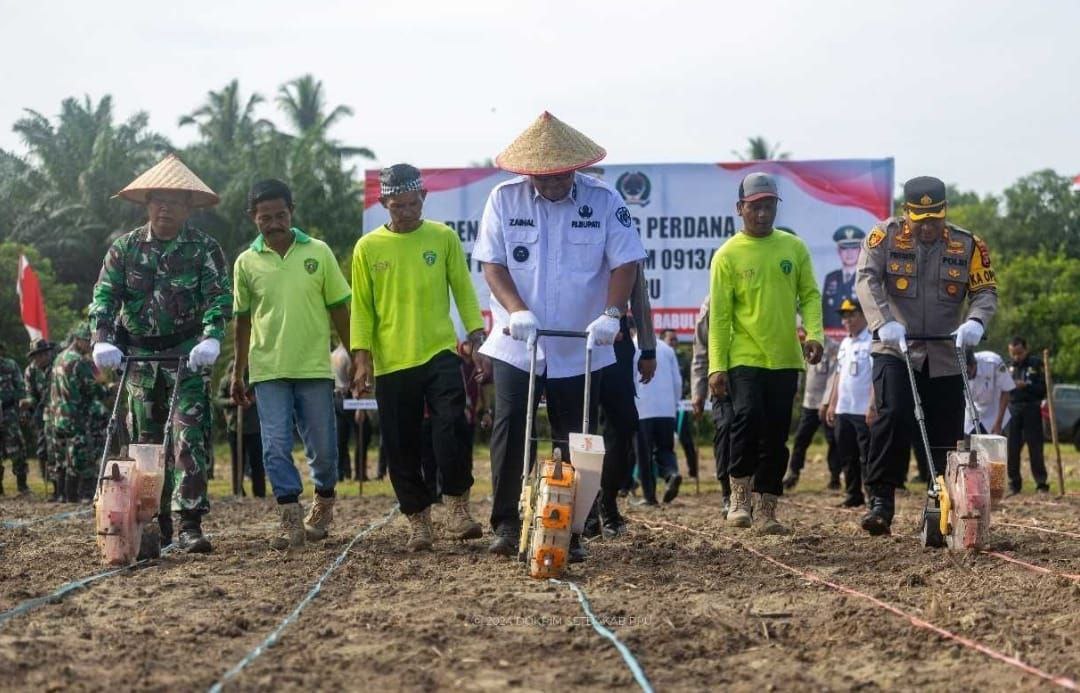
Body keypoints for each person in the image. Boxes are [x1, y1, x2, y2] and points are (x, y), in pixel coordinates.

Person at [473, 112, 647, 561]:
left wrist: (612, 313)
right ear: (529, 172)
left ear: (575, 169)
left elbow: (625, 261)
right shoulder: (504, 200)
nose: (552, 185)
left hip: (580, 343)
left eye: (560, 177)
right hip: (518, 340)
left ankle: (569, 529)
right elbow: (492, 263)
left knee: (578, 437)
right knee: (511, 428)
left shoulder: (605, 201)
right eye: (543, 178)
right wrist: (516, 310)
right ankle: (508, 525)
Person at [89, 153, 230, 553]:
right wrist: (103, 338)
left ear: (188, 207)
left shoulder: (204, 249)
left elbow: (219, 296)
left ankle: (189, 524)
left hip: (187, 357)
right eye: (157, 200)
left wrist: (212, 337)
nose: (164, 207)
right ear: (147, 204)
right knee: (146, 446)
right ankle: (153, 523)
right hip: (137, 361)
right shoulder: (125, 249)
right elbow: (104, 295)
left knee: (188, 436)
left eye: (174, 200)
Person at [351, 164, 488, 552]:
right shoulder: (368, 248)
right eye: (398, 206)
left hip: (440, 352)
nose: (407, 212)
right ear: (383, 203)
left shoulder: (442, 237)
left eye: (413, 204)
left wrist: (476, 337)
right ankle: (419, 522)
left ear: (424, 198)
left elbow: (463, 289)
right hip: (392, 361)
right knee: (400, 444)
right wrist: (362, 359)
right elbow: (362, 308)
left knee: (451, 427)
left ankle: (458, 507)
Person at [855, 176, 998, 535]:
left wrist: (976, 322)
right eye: (921, 221)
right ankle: (881, 501)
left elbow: (984, 291)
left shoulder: (968, 245)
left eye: (935, 219)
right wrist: (883, 321)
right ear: (907, 214)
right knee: (894, 414)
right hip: (896, 348)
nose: (929, 227)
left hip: (946, 352)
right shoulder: (883, 237)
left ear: (944, 212)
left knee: (945, 432)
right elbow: (866, 278)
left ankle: (941, 503)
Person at [232, 179, 351, 549]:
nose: (274, 223)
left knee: (325, 449)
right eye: (265, 217)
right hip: (268, 370)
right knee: (275, 445)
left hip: (314, 368)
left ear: (292, 212)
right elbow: (242, 319)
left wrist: (359, 359)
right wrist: (237, 371)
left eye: (280, 215)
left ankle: (323, 505)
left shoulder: (319, 252)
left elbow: (339, 309)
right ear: (254, 218)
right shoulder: (246, 262)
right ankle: (289, 517)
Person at [708, 172, 824, 534]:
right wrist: (716, 366)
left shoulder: (793, 247)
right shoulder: (727, 255)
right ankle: (739, 496)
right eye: (755, 207)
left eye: (769, 206)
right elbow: (720, 317)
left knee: (776, 432)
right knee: (745, 418)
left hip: (785, 357)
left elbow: (809, 295)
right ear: (740, 208)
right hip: (744, 356)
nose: (762, 214)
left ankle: (767, 506)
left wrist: (815, 334)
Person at [824, 299, 873, 507]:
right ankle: (853, 494)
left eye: (852, 315)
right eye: (844, 317)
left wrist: (873, 404)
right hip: (844, 408)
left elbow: (876, 377)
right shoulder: (845, 343)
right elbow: (838, 375)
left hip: (863, 409)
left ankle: (874, 497)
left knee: (867, 457)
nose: (847, 320)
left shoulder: (871, 341)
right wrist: (832, 403)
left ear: (863, 316)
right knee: (847, 455)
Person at [44, 324, 98, 503]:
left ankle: (63, 496)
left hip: (58, 416)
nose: (90, 345)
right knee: (82, 455)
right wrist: (107, 389)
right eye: (87, 341)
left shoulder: (59, 358)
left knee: (63, 457)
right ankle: (82, 496)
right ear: (78, 340)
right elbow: (91, 389)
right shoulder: (78, 361)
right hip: (75, 416)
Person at [690, 296, 733, 516]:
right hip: (722, 384)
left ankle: (753, 490)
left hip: (754, 378)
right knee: (725, 428)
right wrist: (698, 392)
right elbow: (701, 352)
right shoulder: (711, 304)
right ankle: (727, 492)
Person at [783, 335, 840, 490]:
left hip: (826, 404)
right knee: (801, 438)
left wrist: (827, 402)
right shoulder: (805, 345)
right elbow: (800, 369)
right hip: (810, 402)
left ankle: (835, 477)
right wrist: (796, 390)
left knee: (833, 441)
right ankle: (793, 473)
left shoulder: (833, 346)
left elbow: (833, 376)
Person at [632, 332, 683, 505]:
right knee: (665, 449)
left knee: (643, 455)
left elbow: (630, 379)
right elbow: (677, 381)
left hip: (642, 409)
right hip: (666, 409)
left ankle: (649, 497)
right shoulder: (667, 349)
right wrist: (674, 405)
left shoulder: (632, 347)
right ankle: (671, 473)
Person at [215, 358, 265, 497]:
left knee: (257, 462)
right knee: (237, 462)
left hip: (254, 427)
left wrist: (253, 400)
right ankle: (238, 491)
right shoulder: (226, 381)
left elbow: (263, 397)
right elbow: (219, 400)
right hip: (235, 428)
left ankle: (259, 492)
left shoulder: (254, 380)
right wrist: (231, 401)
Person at [1005, 337, 1049, 494]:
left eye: (1019, 353)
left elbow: (1044, 389)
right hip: (1013, 409)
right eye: (1013, 354)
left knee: (1035, 447)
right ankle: (1014, 484)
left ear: (1026, 349)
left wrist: (1027, 385)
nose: (1017, 357)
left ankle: (1041, 483)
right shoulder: (1007, 366)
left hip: (1032, 407)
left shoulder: (1036, 364)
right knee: (1012, 448)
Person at [21, 339, 57, 497]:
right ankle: (50, 484)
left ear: (49, 353)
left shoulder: (58, 367)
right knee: (43, 452)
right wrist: (28, 403)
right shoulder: (30, 371)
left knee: (59, 451)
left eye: (43, 354)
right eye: (36, 356)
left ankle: (60, 488)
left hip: (60, 414)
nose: (41, 358)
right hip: (41, 416)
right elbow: (31, 394)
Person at [663, 328, 699, 480]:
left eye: (675, 339)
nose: (674, 342)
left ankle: (693, 471)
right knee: (664, 441)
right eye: (671, 339)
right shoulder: (659, 357)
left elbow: (688, 380)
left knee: (686, 439)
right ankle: (667, 472)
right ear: (663, 341)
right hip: (663, 406)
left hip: (680, 406)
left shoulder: (683, 359)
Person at [822, 226, 866, 332]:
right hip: (831, 338)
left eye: (854, 247)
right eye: (845, 248)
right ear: (838, 251)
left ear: (860, 250)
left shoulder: (866, 276)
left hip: (859, 337)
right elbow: (825, 312)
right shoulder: (830, 278)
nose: (849, 253)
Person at [963, 349, 1014, 436]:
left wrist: (999, 423)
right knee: (971, 447)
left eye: (968, 372)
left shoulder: (993, 361)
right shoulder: (957, 368)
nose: (967, 376)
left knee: (997, 447)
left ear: (974, 364)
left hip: (995, 413)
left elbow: (1006, 391)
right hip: (971, 416)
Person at [0, 343, 29, 496]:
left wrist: (23, 412)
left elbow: (20, 388)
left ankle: (22, 486)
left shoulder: (10, 365)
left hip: (9, 412)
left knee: (17, 449)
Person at [331, 342, 357, 482]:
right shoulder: (348, 355)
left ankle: (341, 472)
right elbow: (351, 377)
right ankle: (357, 473)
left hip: (336, 396)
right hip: (348, 397)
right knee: (360, 434)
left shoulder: (333, 354)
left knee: (341, 438)